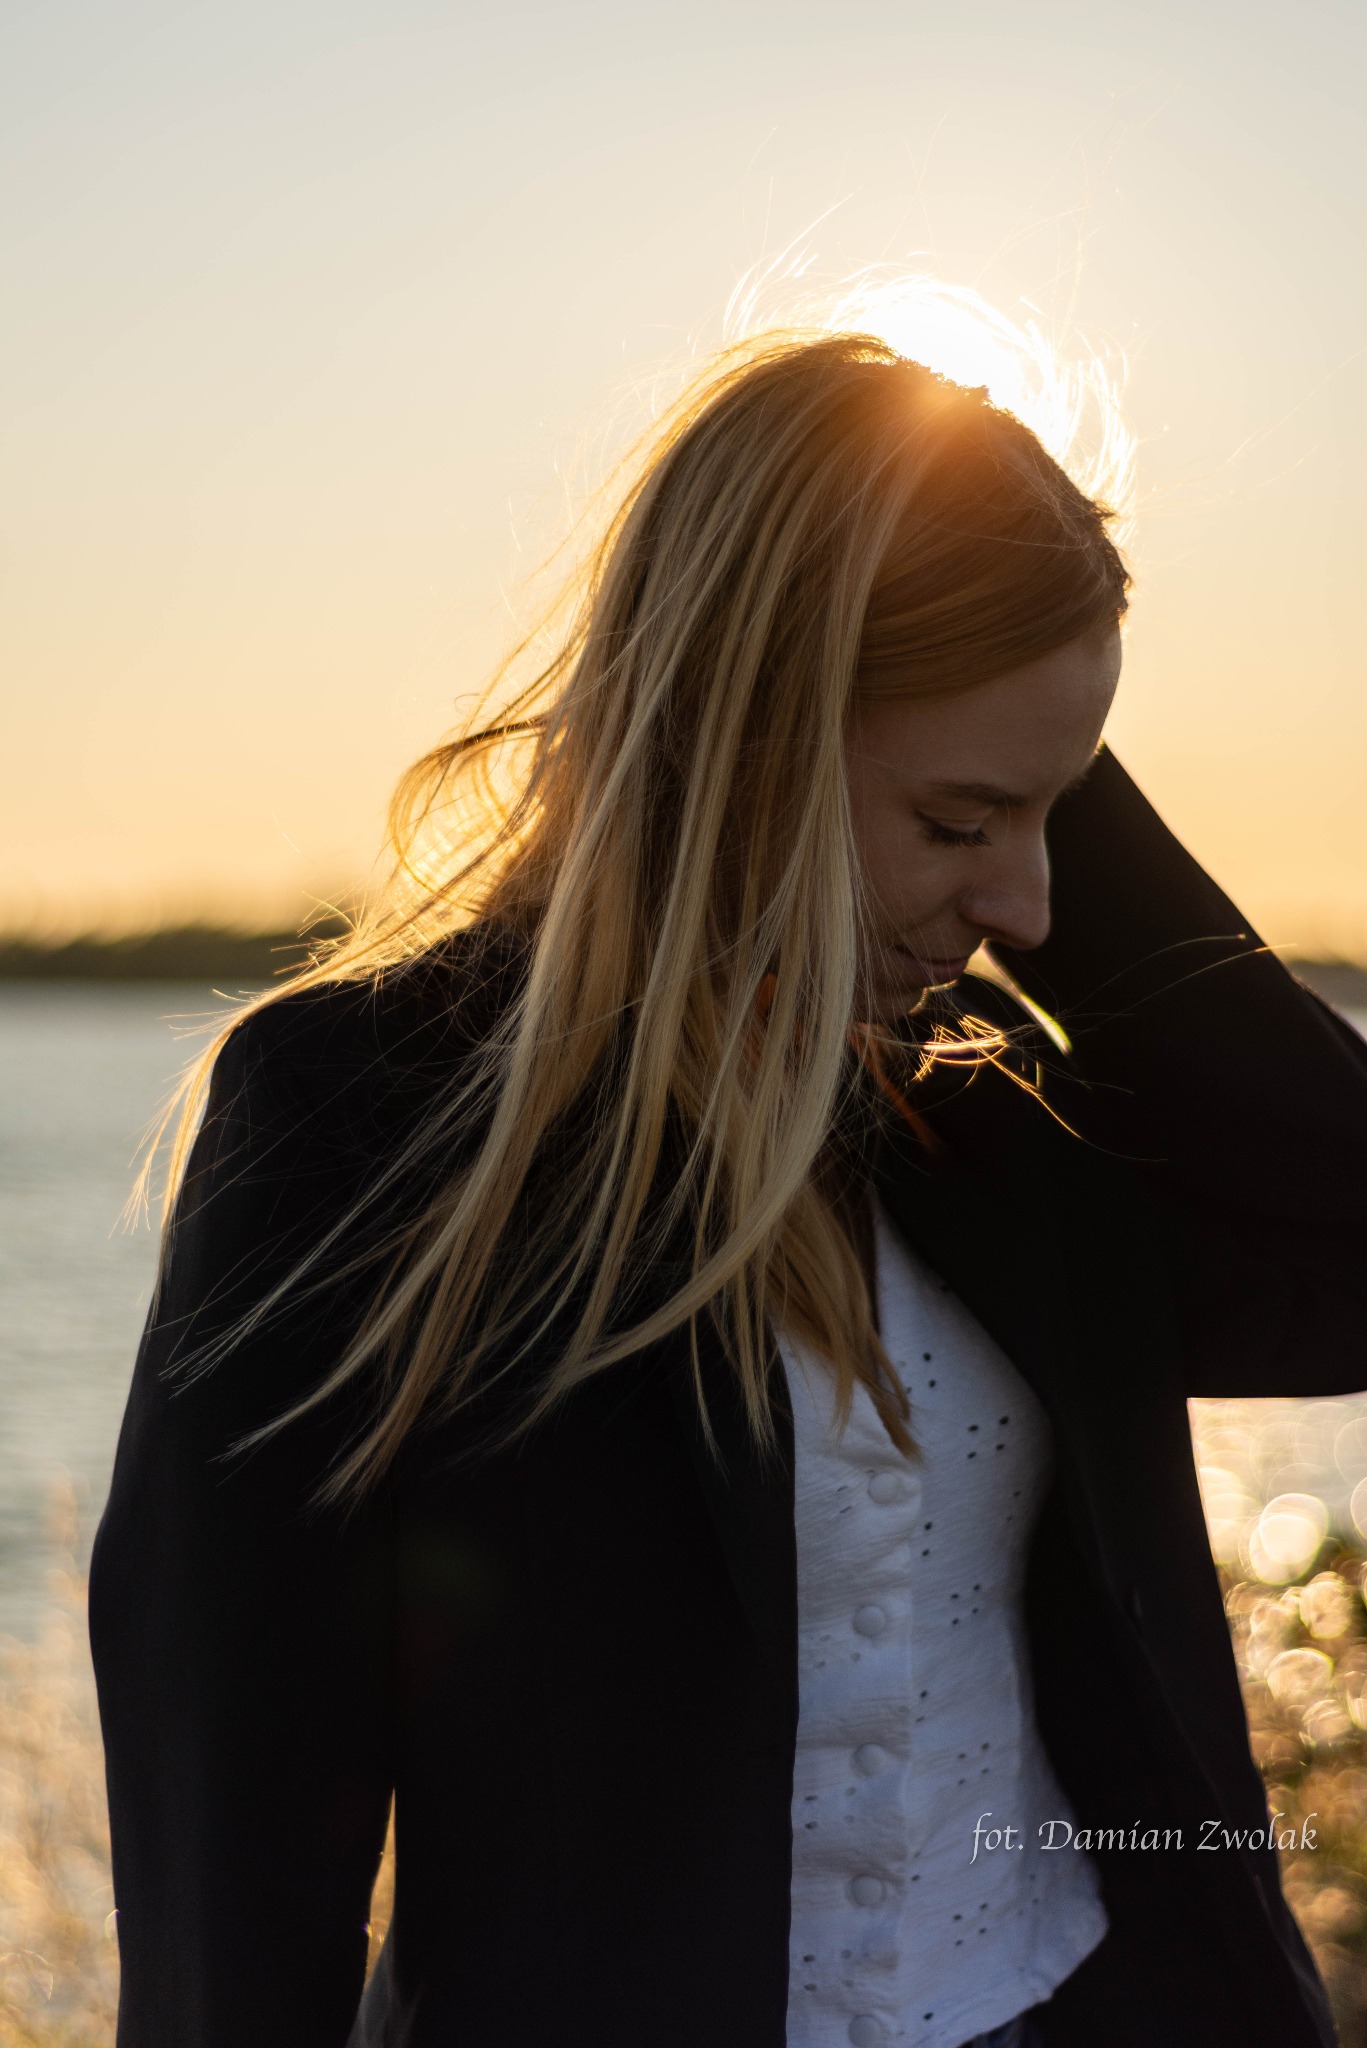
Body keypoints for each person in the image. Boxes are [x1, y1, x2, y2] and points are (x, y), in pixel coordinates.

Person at [88, 332, 1366, 2048]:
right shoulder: (360, 1117)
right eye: (960, 819)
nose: (1030, 909)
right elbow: (236, 1843)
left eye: (1054, 818)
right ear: (737, 739)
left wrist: (1037, 754)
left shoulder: (993, 1110)